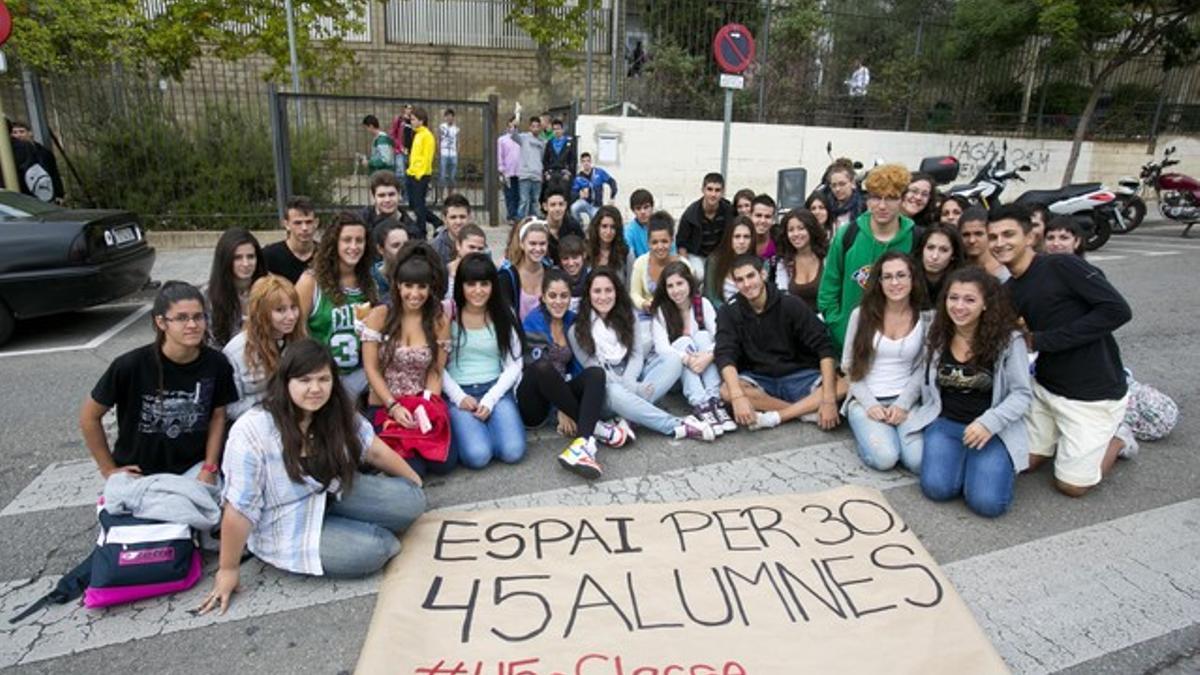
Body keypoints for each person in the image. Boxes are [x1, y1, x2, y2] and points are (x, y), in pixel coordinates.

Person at [196, 339, 425, 615]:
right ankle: (353, 532)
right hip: (287, 520)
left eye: (323, 379)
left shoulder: (336, 409)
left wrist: (415, 484)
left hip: (334, 491)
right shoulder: (252, 430)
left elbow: (373, 450)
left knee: (412, 502)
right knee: (379, 548)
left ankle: (349, 524)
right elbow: (239, 508)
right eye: (304, 380)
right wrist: (228, 569)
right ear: (285, 381)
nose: (315, 389)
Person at [988, 205, 1133, 497]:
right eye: (993, 237)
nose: (999, 242)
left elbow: (1117, 311)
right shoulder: (1010, 289)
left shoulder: (1062, 266)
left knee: (1072, 486)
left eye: (1008, 234)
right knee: (1023, 463)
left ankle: (1118, 438)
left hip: (1092, 395)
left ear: (1029, 237)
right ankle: (1060, 438)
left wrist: (1042, 340)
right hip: (1045, 388)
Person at [898, 267, 1031, 517]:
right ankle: (968, 465)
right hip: (945, 423)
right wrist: (902, 404)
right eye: (953, 298)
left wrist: (989, 423)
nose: (959, 306)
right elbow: (921, 373)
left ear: (985, 305)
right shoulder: (937, 332)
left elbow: (1022, 394)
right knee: (937, 489)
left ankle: (988, 467)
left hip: (991, 430)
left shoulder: (1010, 340)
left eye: (969, 300)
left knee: (987, 505)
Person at [79, 282, 236, 481]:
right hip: (138, 473)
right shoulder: (130, 365)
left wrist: (210, 467)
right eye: (181, 318)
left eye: (198, 316)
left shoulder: (217, 363)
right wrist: (108, 469)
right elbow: (89, 417)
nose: (192, 325)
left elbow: (218, 416)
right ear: (161, 322)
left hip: (194, 469)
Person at [570, 269, 716, 449]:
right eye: (597, 291)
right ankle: (678, 426)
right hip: (607, 391)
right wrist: (632, 387)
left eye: (609, 290)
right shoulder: (577, 330)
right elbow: (596, 371)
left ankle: (630, 417)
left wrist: (631, 382)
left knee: (673, 360)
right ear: (588, 294)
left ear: (616, 291)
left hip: (635, 379)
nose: (603, 296)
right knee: (616, 392)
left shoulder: (628, 316)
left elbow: (636, 354)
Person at [717, 254, 844, 430]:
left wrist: (829, 400)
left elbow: (824, 347)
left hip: (800, 375)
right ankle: (805, 411)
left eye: (750, 276)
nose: (746, 284)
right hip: (761, 380)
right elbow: (725, 354)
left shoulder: (790, 303)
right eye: (740, 280)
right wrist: (738, 397)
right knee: (726, 390)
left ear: (762, 274)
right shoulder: (728, 311)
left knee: (845, 383)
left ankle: (778, 416)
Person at [362, 243, 454, 476]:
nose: (415, 294)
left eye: (422, 287)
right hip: (385, 403)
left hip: (421, 404)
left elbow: (435, 371)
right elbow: (371, 369)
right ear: (398, 286)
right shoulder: (380, 316)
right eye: (408, 286)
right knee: (413, 468)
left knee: (445, 463)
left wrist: (426, 407)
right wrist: (393, 406)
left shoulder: (439, 319)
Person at [519, 270, 613, 477]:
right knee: (543, 367)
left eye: (564, 296)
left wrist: (566, 403)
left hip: (562, 392)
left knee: (596, 374)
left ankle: (581, 445)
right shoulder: (533, 321)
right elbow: (531, 369)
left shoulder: (573, 321)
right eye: (552, 296)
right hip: (534, 401)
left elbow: (577, 367)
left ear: (570, 297)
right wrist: (561, 407)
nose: (558, 301)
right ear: (543, 297)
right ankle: (595, 427)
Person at [840, 253, 929, 473]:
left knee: (917, 462)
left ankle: (886, 433)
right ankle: (869, 436)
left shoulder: (926, 318)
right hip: (866, 399)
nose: (895, 283)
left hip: (905, 399)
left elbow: (924, 368)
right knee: (886, 458)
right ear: (879, 282)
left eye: (901, 275)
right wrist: (870, 405)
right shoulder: (860, 315)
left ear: (912, 278)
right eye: (887, 277)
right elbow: (849, 365)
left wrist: (904, 404)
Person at [818, 164, 919, 353]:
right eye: (875, 197)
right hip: (849, 343)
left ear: (902, 200)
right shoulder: (848, 234)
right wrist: (840, 326)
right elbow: (829, 289)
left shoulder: (915, 238)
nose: (882, 206)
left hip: (898, 347)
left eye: (890, 198)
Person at [440, 254, 527, 469]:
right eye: (471, 284)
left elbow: (515, 362)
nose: (478, 290)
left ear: (493, 285)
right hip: (459, 394)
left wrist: (490, 399)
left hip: (495, 389)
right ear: (461, 285)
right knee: (478, 456)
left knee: (513, 451)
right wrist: (458, 397)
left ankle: (491, 428)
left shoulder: (504, 313)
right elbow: (435, 365)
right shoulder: (447, 314)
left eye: (484, 284)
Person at [296, 213, 378, 397]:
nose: (354, 247)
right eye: (347, 240)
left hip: (361, 375)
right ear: (334, 243)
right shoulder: (310, 282)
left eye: (359, 240)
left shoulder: (369, 282)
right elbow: (297, 332)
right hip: (320, 377)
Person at [651, 260, 736, 434]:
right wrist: (688, 359)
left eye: (680, 283)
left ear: (689, 282)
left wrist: (708, 356)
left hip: (703, 364)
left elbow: (721, 336)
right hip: (677, 375)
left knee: (703, 336)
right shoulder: (662, 311)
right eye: (670, 286)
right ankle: (701, 403)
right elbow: (662, 349)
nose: (676, 290)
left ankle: (714, 400)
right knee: (683, 342)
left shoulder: (702, 304)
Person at [223, 276, 306, 421]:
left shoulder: (302, 342)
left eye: (294, 307)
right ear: (261, 312)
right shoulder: (235, 351)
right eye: (280, 310)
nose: (291, 316)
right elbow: (230, 409)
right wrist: (272, 401)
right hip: (255, 422)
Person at [206, 228, 267, 348]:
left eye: (250, 257)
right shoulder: (208, 295)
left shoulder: (270, 288)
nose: (246, 264)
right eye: (237, 258)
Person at [771, 208, 828, 312]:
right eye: (791, 230)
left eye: (801, 228)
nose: (796, 234)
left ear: (811, 229)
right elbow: (782, 296)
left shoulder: (826, 258)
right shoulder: (784, 263)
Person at [629, 211, 684, 318]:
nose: (660, 247)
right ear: (648, 242)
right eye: (655, 242)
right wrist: (644, 303)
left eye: (664, 241)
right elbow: (634, 293)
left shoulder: (683, 265)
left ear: (672, 241)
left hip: (677, 315)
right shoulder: (640, 263)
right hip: (648, 315)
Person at [499, 219, 553, 321]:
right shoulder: (507, 276)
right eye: (532, 243)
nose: (538, 249)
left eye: (542, 244)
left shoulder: (550, 273)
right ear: (522, 244)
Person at [677, 172, 735, 266]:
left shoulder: (728, 211)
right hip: (697, 256)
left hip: (720, 255)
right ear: (703, 190)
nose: (713, 194)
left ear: (723, 192)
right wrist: (686, 265)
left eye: (717, 190)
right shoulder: (690, 214)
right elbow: (681, 243)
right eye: (709, 189)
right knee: (697, 274)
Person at [262, 196, 318, 283]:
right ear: (286, 224)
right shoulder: (269, 256)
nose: (304, 228)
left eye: (309, 222)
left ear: (316, 223)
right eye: (298, 223)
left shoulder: (326, 254)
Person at [705, 216, 757, 306]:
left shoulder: (760, 264)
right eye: (737, 236)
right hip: (722, 312)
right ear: (729, 238)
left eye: (746, 237)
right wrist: (728, 314)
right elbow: (711, 296)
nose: (741, 241)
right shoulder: (715, 261)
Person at [9, 120, 64, 202]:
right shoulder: (10, 155)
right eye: (15, 132)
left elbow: (53, 173)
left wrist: (59, 194)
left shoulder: (44, 152)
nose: (18, 135)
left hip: (44, 192)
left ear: (30, 133)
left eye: (21, 132)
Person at [916, 225, 966, 309]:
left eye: (943, 250)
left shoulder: (962, 282)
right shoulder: (908, 276)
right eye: (930, 248)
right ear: (922, 249)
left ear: (953, 255)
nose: (934, 256)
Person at [405, 107, 436, 240]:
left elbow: (427, 157)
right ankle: (436, 222)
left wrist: (419, 174)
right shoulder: (417, 134)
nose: (411, 122)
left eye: (413, 119)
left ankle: (421, 233)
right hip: (412, 173)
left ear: (421, 121)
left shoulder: (427, 136)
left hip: (420, 175)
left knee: (419, 206)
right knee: (415, 205)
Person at [959, 207, 1010, 281]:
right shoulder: (956, 271)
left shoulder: (1007, 273)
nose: (971, 240)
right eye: (966, 235)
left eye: (978, 234)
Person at [511, 115, 547, 218]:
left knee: (535, 201)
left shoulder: (542, 141)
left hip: (537, 176)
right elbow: (513, 136)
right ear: (530, 127)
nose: (535, 128)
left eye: (537, 126)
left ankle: (534, 221)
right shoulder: (524, 137)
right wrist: (515, 125)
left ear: (540, 127)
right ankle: (520, 222)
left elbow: (543, 158)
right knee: (524, 200)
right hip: (525, 175)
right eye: (533, 126)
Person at [586, 204, 633, 280]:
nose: (608, 232)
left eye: (613, 227)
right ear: (597, 227)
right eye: (604, 226)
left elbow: (629, 287)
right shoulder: (586, 251)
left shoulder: (626, 254)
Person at [570, 152, 618, 225]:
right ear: (581, 163)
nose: (586, 163)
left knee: (595, 224)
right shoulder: (578, 178)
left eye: (588, 161)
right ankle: (580, 224)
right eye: (584, 161)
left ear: (591, 161)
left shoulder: (599, 172)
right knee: (573, 208)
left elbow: (612, 182)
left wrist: (612, 197)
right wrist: (579, 194)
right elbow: (572, 193)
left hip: (596, 206)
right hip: (585, 203)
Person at [541, 186, 585, 265]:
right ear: (545, 206)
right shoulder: (538, 228)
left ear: (565, 205)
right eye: (553, 205)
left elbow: (583, 250)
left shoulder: (574, 227)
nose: (557, 209)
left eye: (561, 204)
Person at [446, 223, 489, 300]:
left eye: (480, 249)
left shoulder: (487, 273)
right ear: (458, 245)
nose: (476, 252)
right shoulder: (444, 272)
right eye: (471, 247)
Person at [370, 219, 409, 300]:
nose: (403, 250)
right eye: (396, 245)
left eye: (406, 245)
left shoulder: (417, 274)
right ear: (380, 249)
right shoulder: (369, 278)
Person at [431, 193, 471, 268]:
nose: (458, 222)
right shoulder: (435, 249)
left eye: (462, 217)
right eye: (453, 217)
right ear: (445, 219)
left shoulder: (478, 244)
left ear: (469, 218)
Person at [822, 159, 864, 230]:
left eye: (842, 184)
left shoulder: (863, 208)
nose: (837, 189)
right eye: (834, 185)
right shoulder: (826, 208)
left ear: (853, 183)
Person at [542, 118, 576, 196]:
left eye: (558, 129)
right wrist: (546, 173)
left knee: (564, 196)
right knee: (551, 196)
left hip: (564, 174)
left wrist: (569, 173)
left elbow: (573, 160)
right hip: (552, 174)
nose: (556, 131)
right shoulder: (549, 143)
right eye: (554, 129)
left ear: (562, 129)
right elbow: (545, 160)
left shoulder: (569, 143)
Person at [498, 116, 521, 225]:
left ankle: (517, 214)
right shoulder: (502, 140)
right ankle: (511, 215)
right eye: (512, 124)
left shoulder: (521, 138)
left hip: (520, 171)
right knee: (509, 194)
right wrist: (501, 169)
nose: (513, 126)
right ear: (508, 125)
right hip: (508, 171)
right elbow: (500, 155)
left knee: (518, 194)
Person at [557, 234, 589, 306]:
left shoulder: (592, 277)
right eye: (565, 258)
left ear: (584, 255)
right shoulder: (554, 278)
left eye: (575, 258)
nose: (571, 263)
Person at [624, 188, 657, 258]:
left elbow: (672, 252)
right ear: (633, 210)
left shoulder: (662, 226)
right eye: (638, 208)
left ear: (652, 206)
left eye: (646, 207)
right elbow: (629, 256)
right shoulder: (629, 231)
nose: (643, 212)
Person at [436, 108, 459, 201]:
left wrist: (457, 151)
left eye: (451, 116)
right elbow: (438, 139)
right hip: (444, 153)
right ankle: (441, 196)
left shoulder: (456, 129)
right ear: (445, 117)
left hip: (453, 153)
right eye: (447, 116)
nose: (449, 118)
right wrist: (439, 151)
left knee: (452, 177)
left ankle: (450, 196)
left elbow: (458, 141)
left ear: (453, 117)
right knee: (442, 175)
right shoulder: (442, 127)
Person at [389, 104, 415, 180]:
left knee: (409, 172)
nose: (409, 110)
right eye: (408, 108)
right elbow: (392, 134)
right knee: (400, 172)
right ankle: (400, 190)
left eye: (411, 108)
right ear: (404, 109)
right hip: (400, 150)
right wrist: (399, 146)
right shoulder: (399, 119)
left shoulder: (413, 121)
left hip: (411, 150)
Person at [749, 194, 778, 260]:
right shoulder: (740, 240)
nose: (762, 221)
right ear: (750, 216)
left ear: (773, 219)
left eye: (767, 217)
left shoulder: (780, 243)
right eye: (758, 215)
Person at [846, 58, 870, 127]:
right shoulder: (855, 73)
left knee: (859, 109)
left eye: (856, 62)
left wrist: (860, 87)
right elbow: (853, 82)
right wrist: (848, 83)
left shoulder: (864, 70)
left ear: (859, 62)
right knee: (855, 110)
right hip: (855, 94)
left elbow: (865, 81)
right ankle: (856, 125)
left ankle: (862, 124)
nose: (854, 64)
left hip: (861, 93)